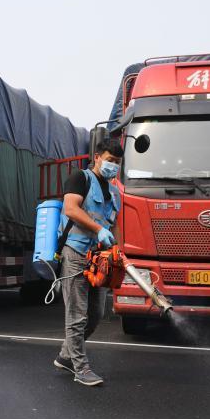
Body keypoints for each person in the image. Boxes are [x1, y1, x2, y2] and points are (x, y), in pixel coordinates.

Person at [52, 139, 123, 386]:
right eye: (109, 160)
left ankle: (65, 356)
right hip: (75, 254)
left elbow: (114, 226)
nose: (113, 166)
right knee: (77, 316)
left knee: (95, 315)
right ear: (97, 158)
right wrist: (97, 229)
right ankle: (81, 369)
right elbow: (71, 209)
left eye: (117, 162)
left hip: (99, 260)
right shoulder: (79, 179)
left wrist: (117, 251)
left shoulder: (115, 192)